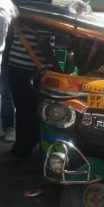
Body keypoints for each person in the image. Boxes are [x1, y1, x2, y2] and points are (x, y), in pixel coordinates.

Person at [7, 0, 55, 158]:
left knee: (23, 108)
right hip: (35, 70)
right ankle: (27, 145)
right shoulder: (42, 16)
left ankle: (22, 145)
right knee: (35, 109)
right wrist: (56, 66)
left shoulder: (21, 12)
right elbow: (44, 44)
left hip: (17, 66)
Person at [0, 0, 18, 142]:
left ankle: (9, 127)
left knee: (7, 93)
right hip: (6, 53)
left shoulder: (5, 6)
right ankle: (9, 128)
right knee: (7, 93)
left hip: (6, 54)